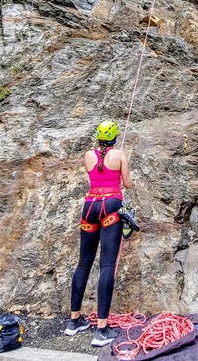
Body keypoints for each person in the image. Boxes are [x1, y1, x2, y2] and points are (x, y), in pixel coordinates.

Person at [64, 120, 132, 347]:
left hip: (90, 207)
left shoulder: (87, 156)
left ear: (98, 136)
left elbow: (95, 176)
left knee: (83, 263)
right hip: (110, 206)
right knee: (106, 265)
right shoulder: (120, 154)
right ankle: (101, 330)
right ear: (114, 136)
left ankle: (74, 321)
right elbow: (128, 184)